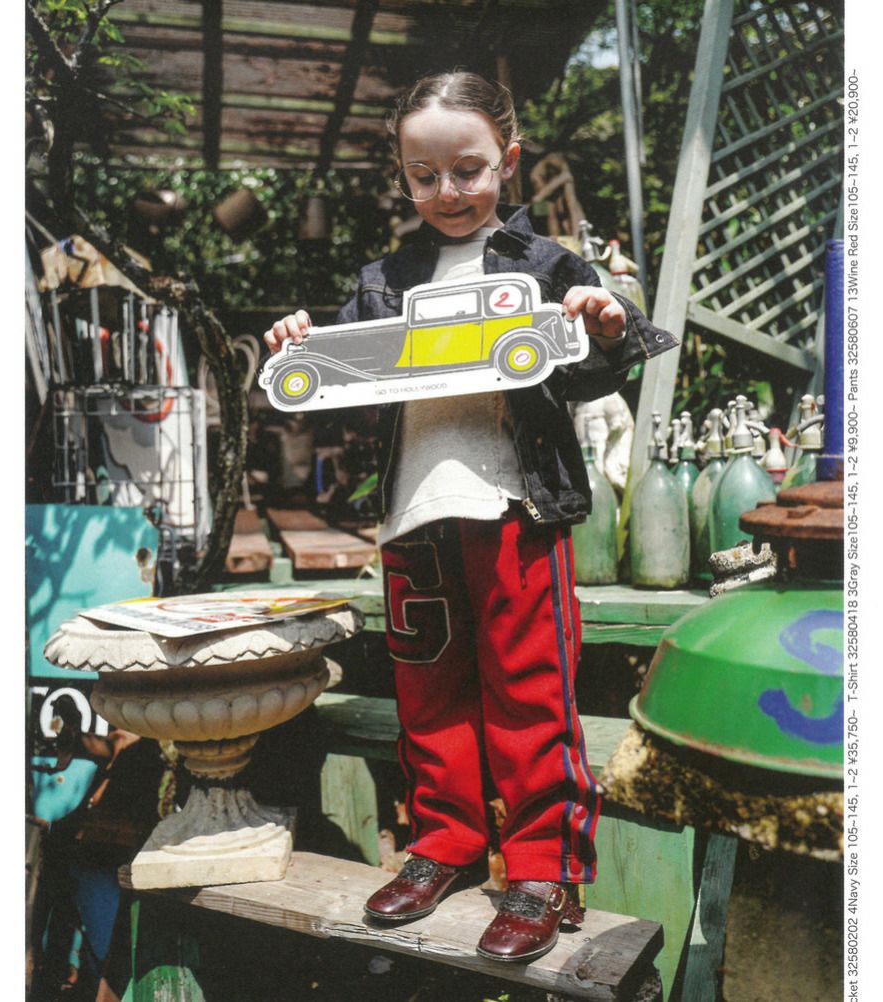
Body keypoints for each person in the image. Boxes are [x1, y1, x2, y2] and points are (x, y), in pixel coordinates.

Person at [264, 71, 677, 963]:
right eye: (424, 175)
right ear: (403, 175)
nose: (447, 192)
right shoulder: (382, 279)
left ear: (508, 161)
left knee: (532, 687)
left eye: (468, 170)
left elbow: (605, 362)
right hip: (413, 511)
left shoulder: (549, 265)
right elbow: (338, 382)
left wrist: (605, 321)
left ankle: (541, 868)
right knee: (428, 688)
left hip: (516, 504)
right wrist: (301, 341)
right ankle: (443, 841)